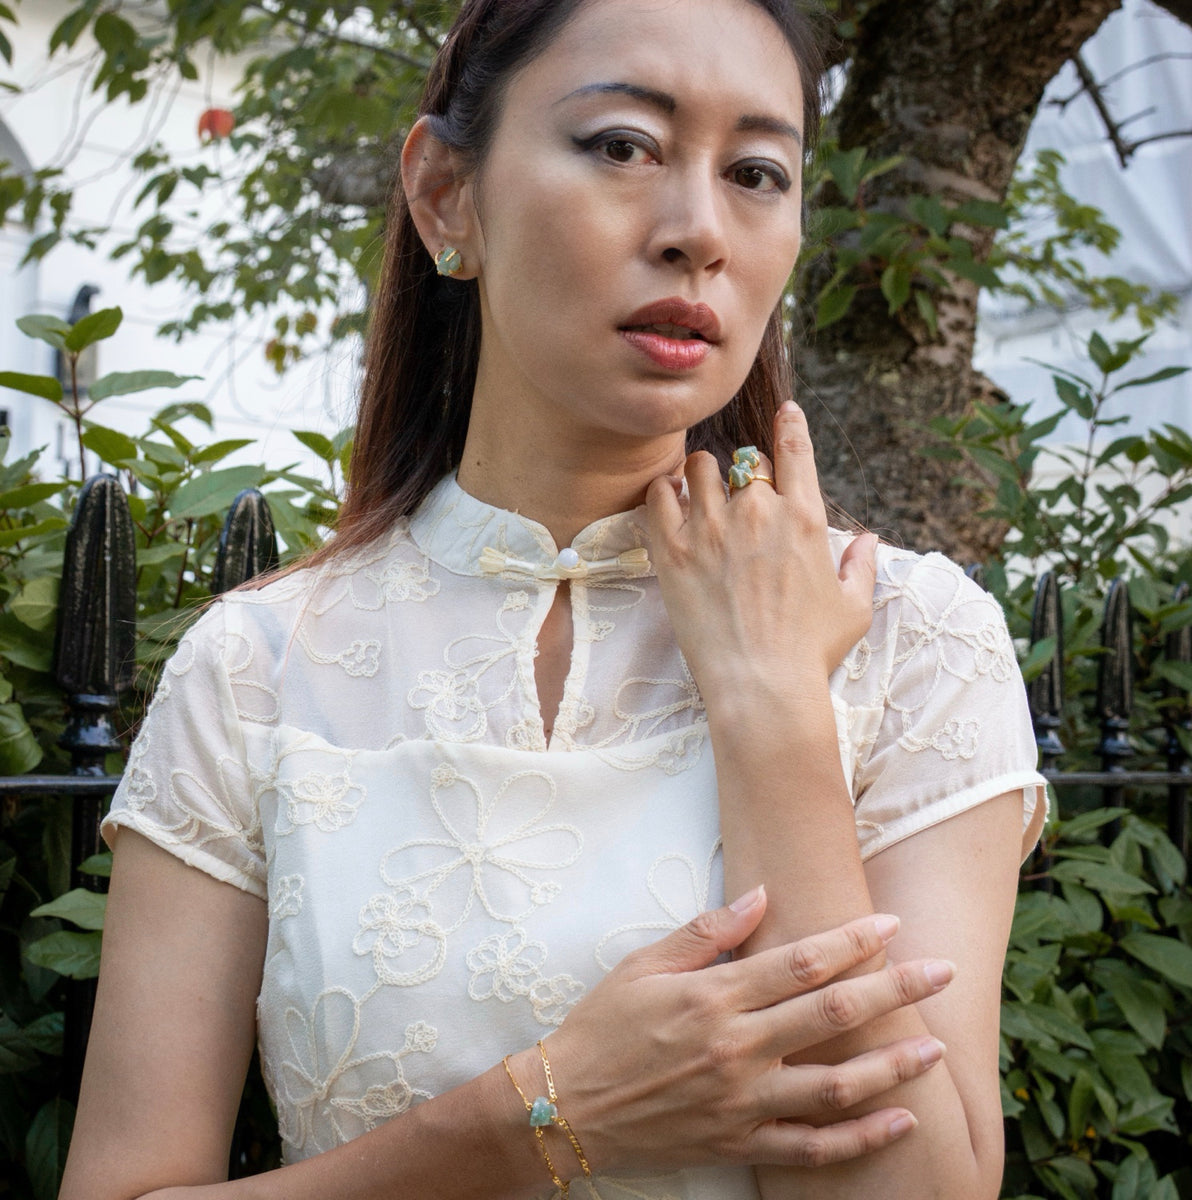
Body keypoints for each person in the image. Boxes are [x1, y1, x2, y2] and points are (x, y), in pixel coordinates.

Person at [59, 1, 1046, 1197]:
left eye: (755, 172)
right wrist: (545, 1113)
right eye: (622, 145)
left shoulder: (913, 639)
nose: (698, 232)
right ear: (446, 196)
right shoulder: (258, 667)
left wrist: (777, 707)